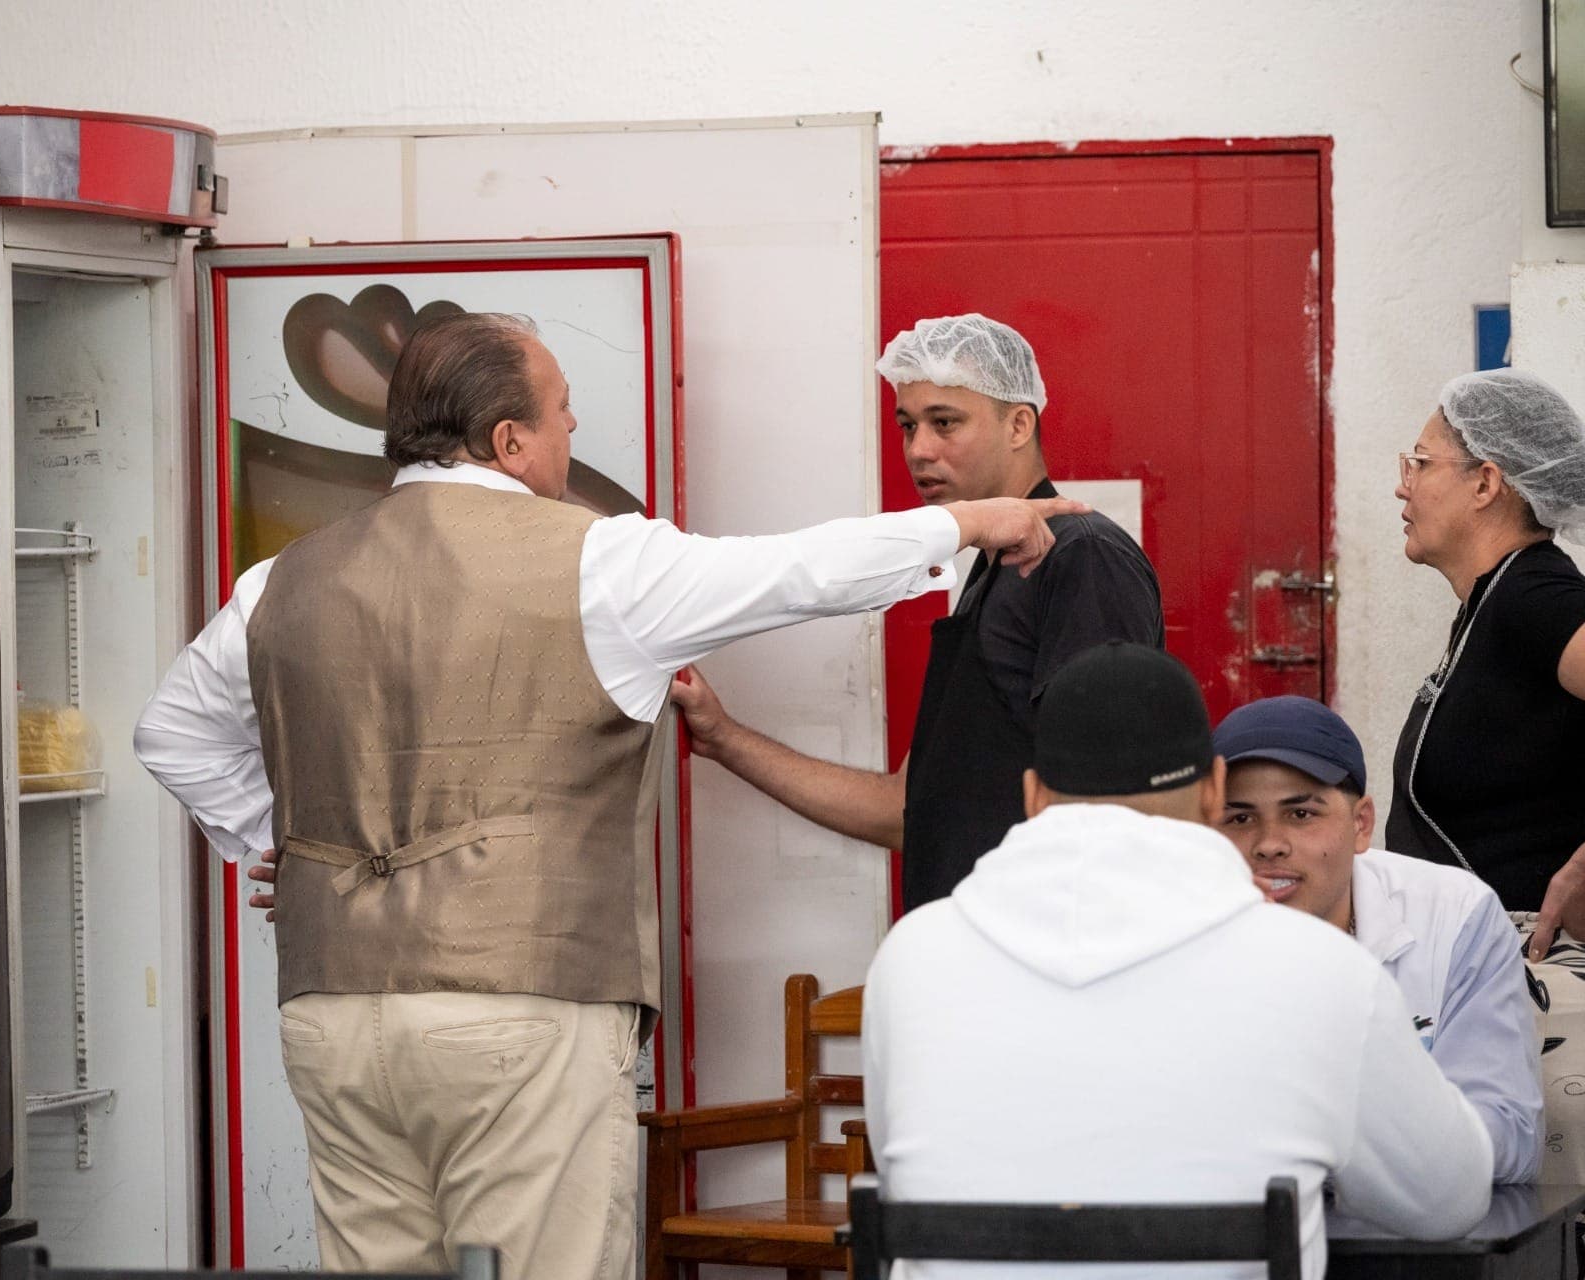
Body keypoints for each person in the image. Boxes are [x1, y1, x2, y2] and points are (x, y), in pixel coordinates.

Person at [134, 311, 1083, 1279]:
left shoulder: (278, 581)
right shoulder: (597, 562)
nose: (572, 432)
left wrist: (280, 839)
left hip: (332, 1008)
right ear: (509, 442)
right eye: (562, 412)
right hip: (522, 1006)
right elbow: (794, 571)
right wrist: (974, 520)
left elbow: (170, 730)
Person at [862, 641, 1493, 1280]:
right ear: (1214, 790)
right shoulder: (1320, 974)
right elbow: (1448, 1202)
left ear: (1032, 796)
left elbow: (899, 1173)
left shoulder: (911, 958)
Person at [670, 313, 1163, 911]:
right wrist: (723, 738)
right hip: (967, 956)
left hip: (1036, 962)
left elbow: (1108, 800)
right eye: (908, 426)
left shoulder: (1079, 556)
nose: (918, 450)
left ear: (1018, 423)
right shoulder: (993, 567)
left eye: (945, 422)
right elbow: (905, 809)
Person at [1385, 367, 1585, 1278]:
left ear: (1487, 482)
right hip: (1506, 987)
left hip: (1565, 992)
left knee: (1544, 1263)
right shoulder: (1489, 609)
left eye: (1420, 461)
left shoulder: (1533, 600)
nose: (1402, 484)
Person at [1213, 695, 1543, 1184]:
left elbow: (1510, 1134)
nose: (1269, 843)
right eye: (1239, 818)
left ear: (1361, 824)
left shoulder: (1454, 915)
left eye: (1301, 814)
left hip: (1410, 1236)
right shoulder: (1176, 935)